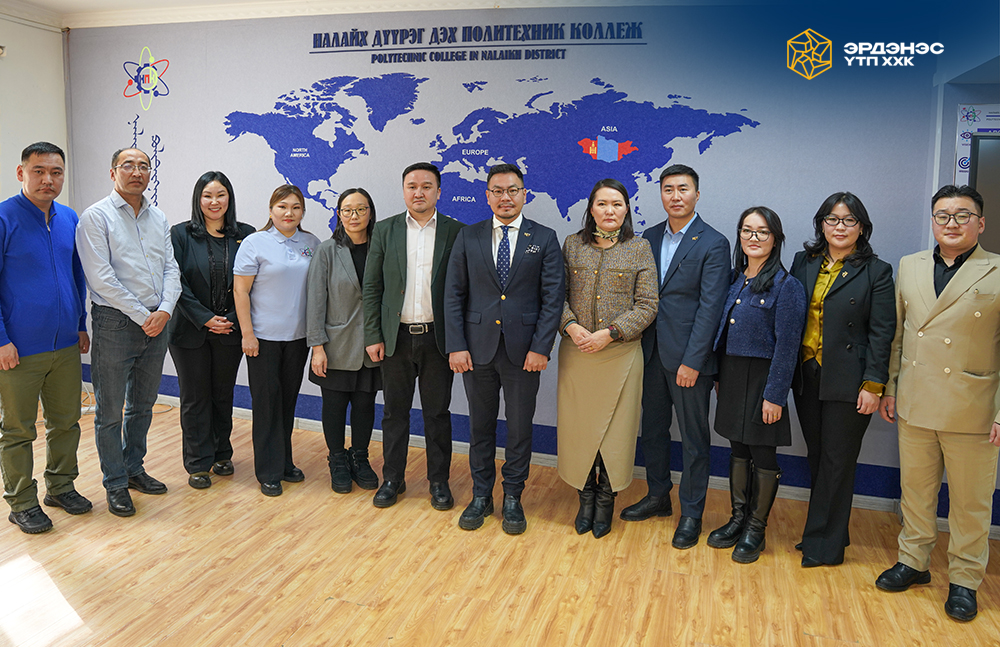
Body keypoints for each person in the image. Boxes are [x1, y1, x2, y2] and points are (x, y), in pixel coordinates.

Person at [876, 185, 1000, 623]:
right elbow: (898, 335)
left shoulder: (996, 270)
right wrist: (890, 388)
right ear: (932, 221)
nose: (951, 223)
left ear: (980, 223)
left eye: (962, 215)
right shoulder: (909, 265)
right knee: (916, 492)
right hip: (915, 400)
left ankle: (965, 580)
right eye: (943, 215)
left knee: (970, 503)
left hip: (973, 407)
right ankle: (913, 561)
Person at [444, 163, 564, 535]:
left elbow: (552, 299)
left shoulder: (544, 237)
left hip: (524, 353)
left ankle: (513, 496)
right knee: (479, 427)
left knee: (519, 428)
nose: (505, 197)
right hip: (476, 350)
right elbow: (453, 295)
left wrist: (541, 347)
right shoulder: (469, 236)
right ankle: (481, 495)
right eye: (497, 191)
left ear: (524, 194)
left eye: (512, 190)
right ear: (487, 196)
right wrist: (456, 346)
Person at [622, 164, 731, 550]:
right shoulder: (648, 237)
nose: (675, 196)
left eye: (683, 189)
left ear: (696, 195)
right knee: (652, 430)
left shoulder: (714, 243)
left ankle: (692, 513)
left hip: (689, 360)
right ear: (661, 194)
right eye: (668, 189)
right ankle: (657, 496)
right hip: (650, 353)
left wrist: (693, 361)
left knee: (693, 439)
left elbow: (711, 308)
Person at [789, 192, 895, 567]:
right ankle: (831, 530)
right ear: (821, 224)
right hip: (808, 373)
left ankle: (823, 546)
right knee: (818, 456)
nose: (840, 227)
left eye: (849, 220)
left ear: (861, 228)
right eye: (832, 219)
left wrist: (873, 384)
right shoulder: (804, 261)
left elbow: (882, 333)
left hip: (850, 379)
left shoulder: (877, 271)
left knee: (838, 460)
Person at [77, 147, 181, 517]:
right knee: (110, 411)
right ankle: (115, 482)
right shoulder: (96, 217)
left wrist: (165, 309)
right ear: (113, 172)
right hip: (116, 323)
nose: (137, 172)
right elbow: (101, 279)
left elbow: (171, 268)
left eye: (143, 166)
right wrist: (143, 315)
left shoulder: (158, 217)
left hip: (157, 321)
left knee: (143, 405)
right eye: (128, 166)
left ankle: (134, 468)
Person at [556, 179, 657, 538]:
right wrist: (571, 327)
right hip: (578, 352)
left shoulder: (640, 248)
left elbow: (648, 304)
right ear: (591, 209)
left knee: (615, 433)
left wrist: (610, 333)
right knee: (580, 430)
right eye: (602, 204)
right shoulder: (572, 245)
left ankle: (605, 500)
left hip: (621, 354)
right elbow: (556, 295)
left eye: (617, 204)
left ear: (626, 209)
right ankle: (585, 497)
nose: (609, 210)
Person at [362, 162, 465, 510]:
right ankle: (393, 478)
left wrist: (459, 342)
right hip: (396, 338)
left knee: (437, 414)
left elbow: (463, 291)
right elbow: (372, 286)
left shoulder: (456, 231)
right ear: (404, 190)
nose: (418, 192)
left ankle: (439, 481)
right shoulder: (385, 229)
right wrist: (373, 335)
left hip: (438, 339)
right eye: (412, 186)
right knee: (395, 413)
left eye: (426, 186)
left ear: (438, 191)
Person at [0, 142, 90, 534]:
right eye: (39, 171)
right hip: (18, 349)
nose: (48, 179)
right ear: (22, 173)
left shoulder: (69, 217)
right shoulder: (4, 218)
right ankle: (21, 502)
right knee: (18, 430)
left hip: (66, 344)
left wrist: (81, 323)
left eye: (56, 172)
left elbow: (76, 275)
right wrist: (1, 339)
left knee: (66, 422)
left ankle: (61, 486)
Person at [708, 207, 805, 563]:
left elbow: (788, 346)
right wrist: (719, 376)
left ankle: (756, 528)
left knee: (762, 452)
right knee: (737, 448)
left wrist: (775, 395)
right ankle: (738, 518)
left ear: (775, 239)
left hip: (764, 379)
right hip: (733, 375)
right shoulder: (736, 279)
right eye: (747, 230)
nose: (754, 237)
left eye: (762, 232)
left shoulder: (787, 286)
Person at [168, 172, 256, 489]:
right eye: (208, 195)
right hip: (188, 331)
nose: (214, 201)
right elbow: (175, 281)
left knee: (222, 394)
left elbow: (253, 282)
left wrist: (230, 318)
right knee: (195, 398)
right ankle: (197, 463)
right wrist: (205, 317)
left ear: (229, 198)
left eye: (221, 195)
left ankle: (221, 453)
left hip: (230, 329)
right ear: (198, 198)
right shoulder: (180, 234)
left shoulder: (246, 235)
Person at [234, 184, 320, 497]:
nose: (289, 213)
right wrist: (247, 334)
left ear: (302, 212)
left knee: (287, 402)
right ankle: (268, 471)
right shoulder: (255, 243)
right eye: (282, 206)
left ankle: (284, 462)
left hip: (297, 338)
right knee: (267, 404)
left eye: (296, 207)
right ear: (271, 210)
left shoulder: (311, 243)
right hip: (263, 339)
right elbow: (240, 291)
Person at [306, 188, 382, 494]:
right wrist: (317, 347)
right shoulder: (327, 250)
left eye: (360, 209)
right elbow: (315, 301)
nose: (354, 216)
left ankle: (360, 457)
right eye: (347, 210)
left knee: (365, 405)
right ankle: (337, 459)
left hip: (371, 345)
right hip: (335, 345)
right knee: (335, 406)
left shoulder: (380, 247)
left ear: (370, 213)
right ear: (339, 215)